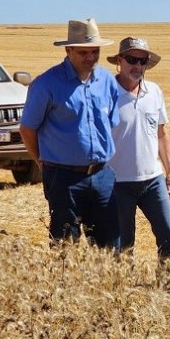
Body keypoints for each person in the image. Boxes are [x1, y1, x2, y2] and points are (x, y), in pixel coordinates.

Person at [20, 18, 121, 249]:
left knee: (111, 247)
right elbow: (27, 128)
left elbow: (111, 122)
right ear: (68, 50)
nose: (90, 58)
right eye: (83, 52)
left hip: (103, 175)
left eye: (94, 52)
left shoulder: (107, 81)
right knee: (66, 247)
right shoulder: (46, 84)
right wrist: (41, 162)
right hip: (63, 178)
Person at [107, 37, 170, 266]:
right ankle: (122, 293)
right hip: (117, 183)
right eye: (132, 60)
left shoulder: (154, 91)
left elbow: (161, 133)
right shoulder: (106, 92)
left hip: (153, 180)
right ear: (119, 60)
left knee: (169, 235)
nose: (137, 66)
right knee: (122, 244)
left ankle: (168, 289)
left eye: (143, 61)